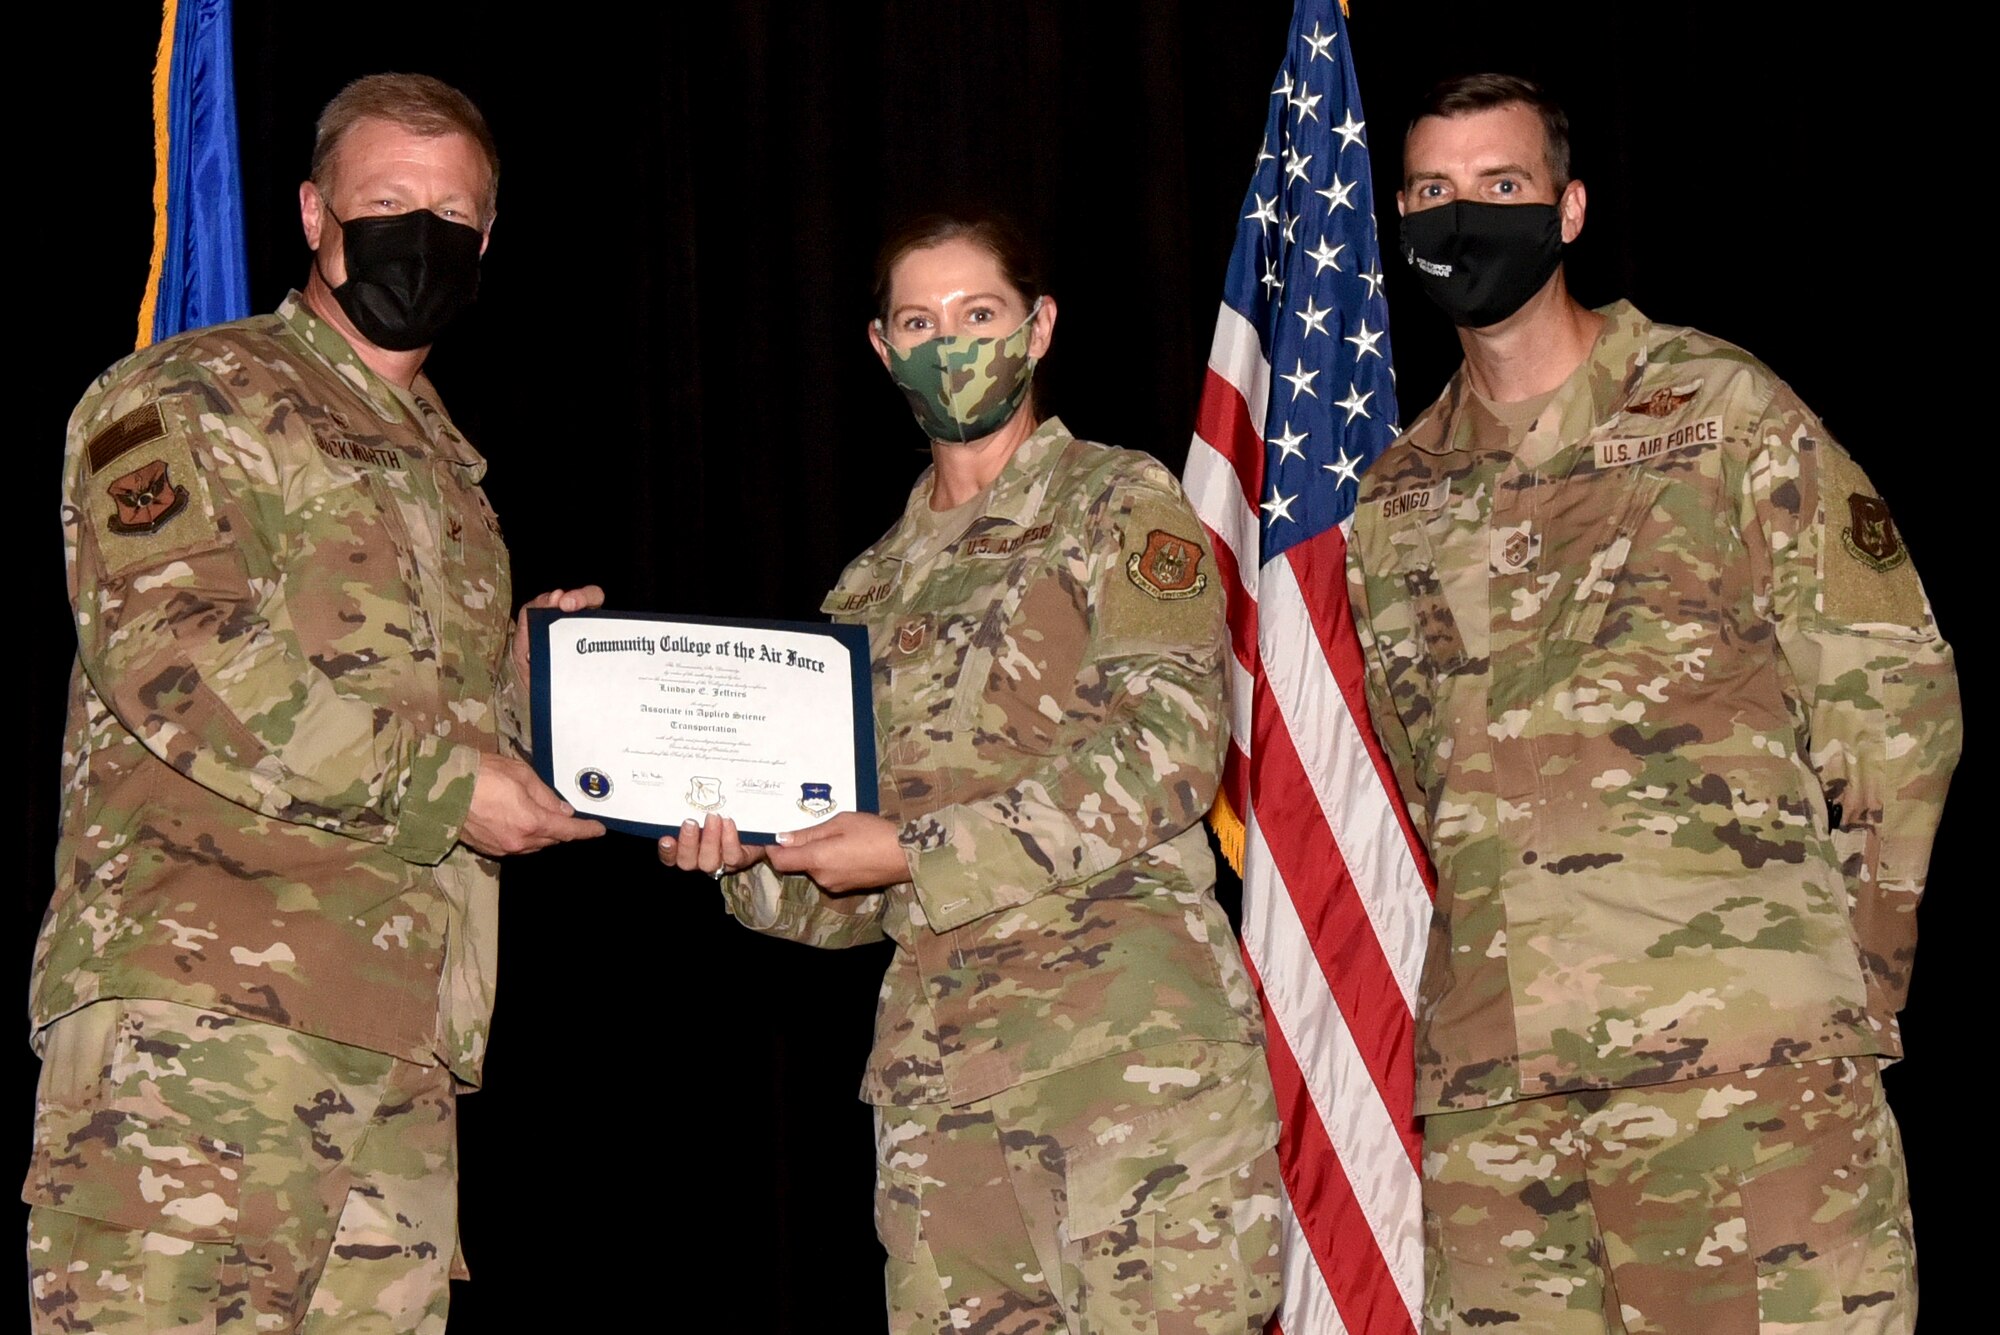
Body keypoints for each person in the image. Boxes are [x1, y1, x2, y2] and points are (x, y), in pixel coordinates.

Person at [1345, 73, 1961, 1332]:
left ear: (1565, 210)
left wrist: (1847, 977)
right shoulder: (1394, 495)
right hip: (1500, 1095)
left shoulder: (1721, 411)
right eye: (1430, 193)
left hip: (1741, 1070)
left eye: (1499, 187)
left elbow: (1891, 695)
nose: (1463, 217)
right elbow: (1423, 766)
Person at [26, 73, 606, 1333]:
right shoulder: (188, 396)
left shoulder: (452, 478)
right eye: (385, 203)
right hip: (208, 1017)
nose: (419, 238)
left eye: (450, 216)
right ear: (311, 214)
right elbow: (181, 659)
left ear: (488, 243)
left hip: (399, 1040)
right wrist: (455, 783)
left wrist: (524, 690)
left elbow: (389, 704)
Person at [659, 213, 1282, 1333]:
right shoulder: (862, 595)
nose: (949, 345)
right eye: (919, 322)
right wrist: (747, 860)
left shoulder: (1117, 503)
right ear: (880, 349)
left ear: (1038, 330)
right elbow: (844, 901)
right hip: (939, 1101)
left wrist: (910, 849)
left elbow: (1168, 750)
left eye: (978, 315)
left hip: (1125, 1066)